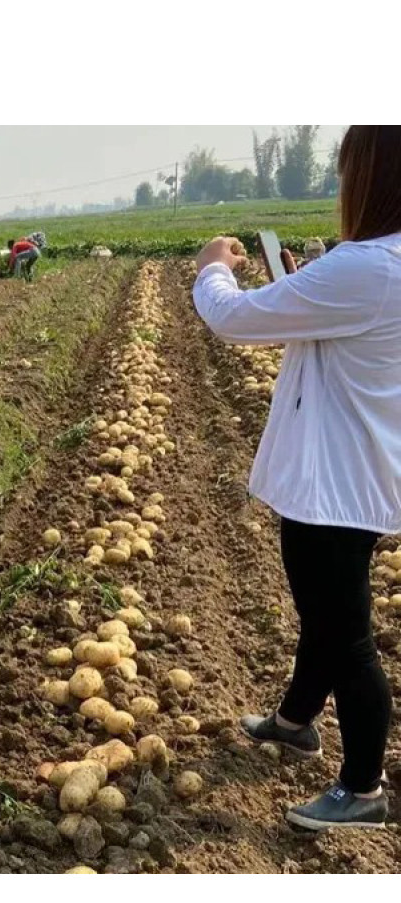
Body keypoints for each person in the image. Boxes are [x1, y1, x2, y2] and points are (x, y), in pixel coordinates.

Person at [192, 125, 401, 832]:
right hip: (358, 478)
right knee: (326, 611)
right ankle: (295, 720)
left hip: (332, 488)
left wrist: (212, 266)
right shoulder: (380, 266)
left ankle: (363, 787)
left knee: (346, 635)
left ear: (370, 177)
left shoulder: (367, 268)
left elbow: (232, 318)